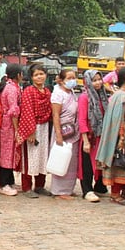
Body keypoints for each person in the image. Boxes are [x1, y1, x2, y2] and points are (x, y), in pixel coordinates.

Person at [95, 67, 125, 205]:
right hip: (121, 135)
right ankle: (115, 193)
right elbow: (118, 118)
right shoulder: (121, 97)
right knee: (120, 163)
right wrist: (120, 137)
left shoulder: (123, 96)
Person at [17, 64, 53, 197]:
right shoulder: (28, 91)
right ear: (32, 77)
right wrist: (30, 132)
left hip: (44, 127)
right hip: (32, 127)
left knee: (42, 157)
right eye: (36, 75)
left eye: (41, 74)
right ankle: (26, 187)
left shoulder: (47, 92)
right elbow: (27, 112)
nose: (39, 77)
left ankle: (40, 185)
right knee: (30, 158)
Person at [48, 68, 82, 200]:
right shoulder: (58, 95)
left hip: (73, 132)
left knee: (71, 161)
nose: (72, 80)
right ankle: (59, 191)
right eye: (69, 78)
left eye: (74, 78)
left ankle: (68, 189)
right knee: (61, 160)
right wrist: (58, 135)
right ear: (61, 81)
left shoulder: (72, 93)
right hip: (62, 131)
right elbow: (55, 115)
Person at [76, 70, 108, 203]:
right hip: (89, 136)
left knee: (100, 163)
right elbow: (82, 119)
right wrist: (85, 141)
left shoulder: (103, 96)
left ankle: (100, 186)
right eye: (94, 80)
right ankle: (87, 190)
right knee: (87, 164)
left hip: (101, 136)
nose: (98, 82)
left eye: (99, 79)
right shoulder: (84, 97)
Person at [0, 65, 22, 196]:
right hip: (9, 124)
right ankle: (3, 183)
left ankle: (10, 180)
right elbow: (13, 111)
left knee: (10, 152)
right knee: (7, 153)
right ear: (18, 75)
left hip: (8, 123)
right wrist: (17, 129)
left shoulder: (11, 86)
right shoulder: (12, 89)